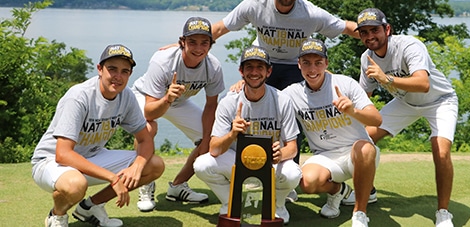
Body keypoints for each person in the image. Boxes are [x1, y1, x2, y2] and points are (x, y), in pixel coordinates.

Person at [210, 0, 367, 203]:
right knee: (253, 113)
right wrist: (187, 43)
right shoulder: (255, 4)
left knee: (293, 121)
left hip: (297, 66)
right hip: (264, 63)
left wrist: (380, 35)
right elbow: (221, 27)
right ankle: (250, 167)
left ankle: (289, 180)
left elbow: (347, 27)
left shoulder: (310, 13)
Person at [32, 44, 165, 227]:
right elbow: (62, 153)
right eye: (112, 69)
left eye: (125, 71)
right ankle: (57, 216)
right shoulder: (79, 96)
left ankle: (90, 207)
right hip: (50, 162)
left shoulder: (126, 96)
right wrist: (113, 178)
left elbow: (145, 138)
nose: (118, 76)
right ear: (100, 69)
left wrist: (137, 166)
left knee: (154, 165)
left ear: (129, 75)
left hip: (92, 156)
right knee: (75, 185)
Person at [356, 8, 458, 227]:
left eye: (374, 30)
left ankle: (443, 212)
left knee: (441, 151)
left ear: (387, 29)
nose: (370, 36)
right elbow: (364, 99)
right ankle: (368, 191)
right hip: (405, 102)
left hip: (440, 101)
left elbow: (423, 84)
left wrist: (387, 79)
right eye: (364, 32)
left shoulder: (409, 45)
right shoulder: (367, 59)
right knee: (362, 140)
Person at [193, 46, 301, 224]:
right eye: (249, 67)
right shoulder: (228, 102)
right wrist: (232, 134)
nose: (254, 72)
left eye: (260, 67)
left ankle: (278, 204)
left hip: (269, 162)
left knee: (292, 173)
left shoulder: (282, 100)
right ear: (241, 71)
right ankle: (231, 202)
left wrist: (280, 154)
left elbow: (293, 147)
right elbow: (213, 149)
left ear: (269, 71)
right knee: (203, 165)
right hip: (237, 160)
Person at [282, 38, 382, 227]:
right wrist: (241, 86)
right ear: (299, 64)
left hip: (357, 153)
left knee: (366, 148)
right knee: (307, 183)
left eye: (318, 63)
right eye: (306, 63)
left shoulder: (345, 84)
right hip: (325, 156)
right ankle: (338, 191)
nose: (312, 69)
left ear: (326, 63)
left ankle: (360, 213)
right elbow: (268, 99)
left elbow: (376, 119)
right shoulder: (292, 93)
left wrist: (353, 111)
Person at [131, 17, 225, 211]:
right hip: (147, 97)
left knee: (209, 137)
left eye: (204, 42)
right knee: (147, 128)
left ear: (211, 44)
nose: (198, 48)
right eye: (192, 42)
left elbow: (211, 106)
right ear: (182, 42)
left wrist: (207, 140)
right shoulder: (163, 61)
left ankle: (178, 186)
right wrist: (167, 98)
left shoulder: (213, 66)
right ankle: (145, 184)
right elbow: (149, 111)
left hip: (178, 100)